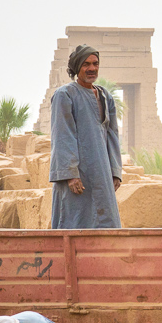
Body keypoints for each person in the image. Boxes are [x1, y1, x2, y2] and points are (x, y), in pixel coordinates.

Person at [50, 44, 123, 229]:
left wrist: (115, 171)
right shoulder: (64, 95)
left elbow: (112, 134)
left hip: (101, 174)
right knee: (75, 226)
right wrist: (70, 174)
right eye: (86, 64)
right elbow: (63, 136)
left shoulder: (106, 96)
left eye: (95, 63)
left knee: (107, 228)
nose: (92, 68)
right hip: (77, 176)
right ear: (76, 68)